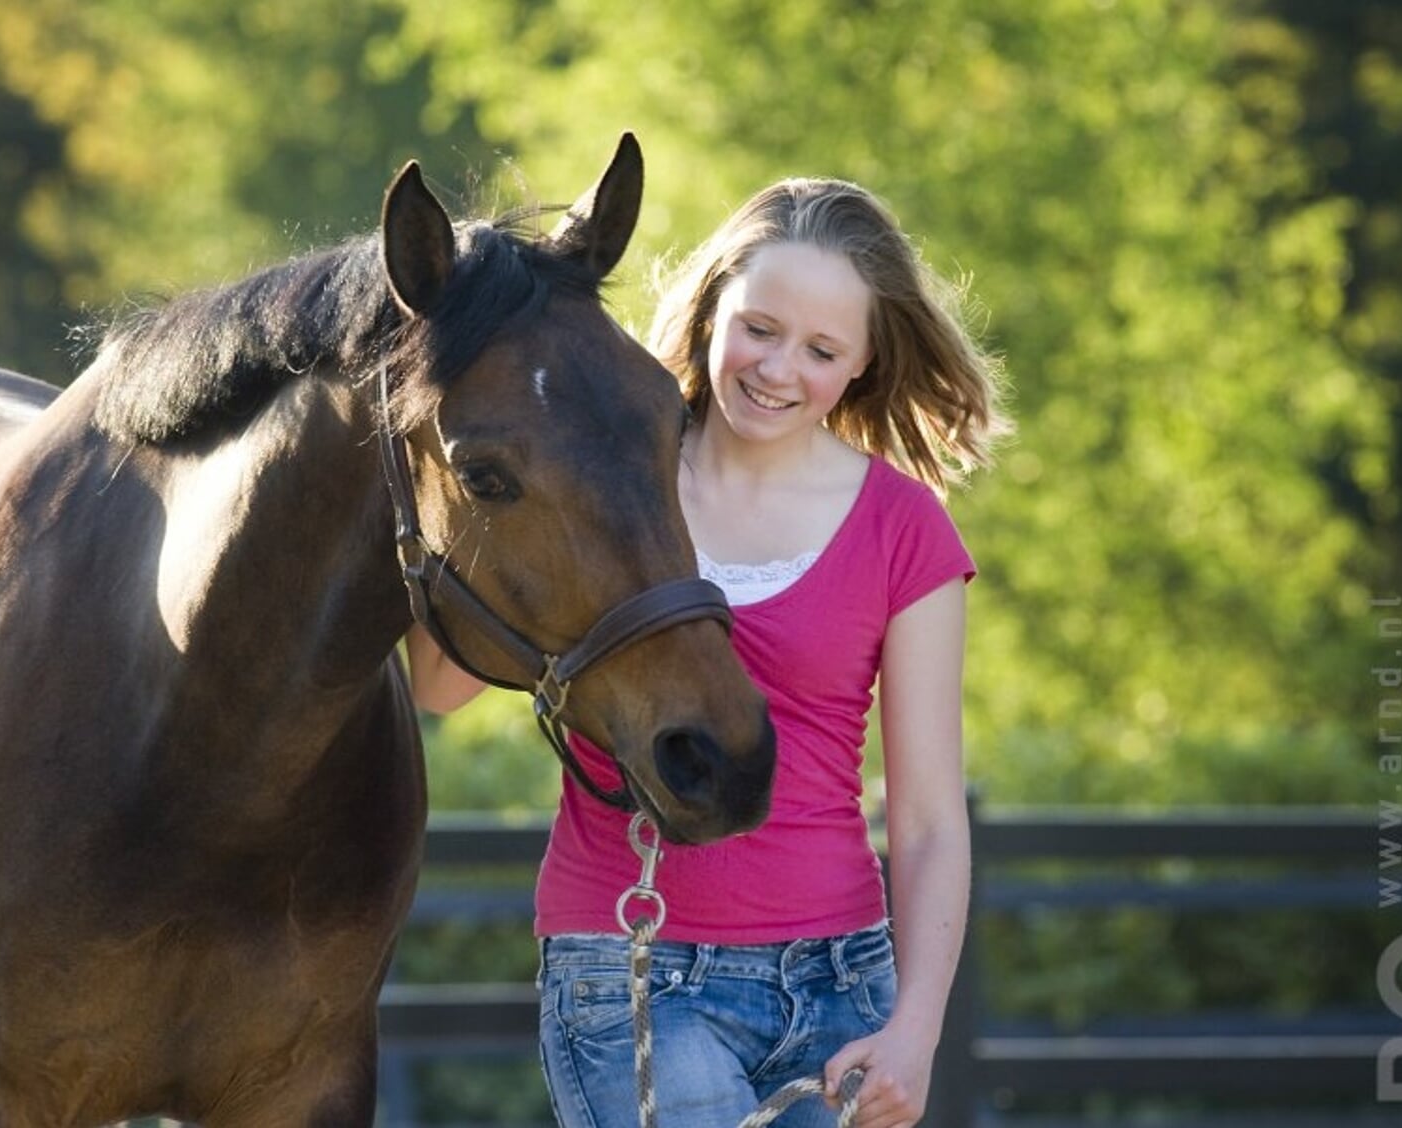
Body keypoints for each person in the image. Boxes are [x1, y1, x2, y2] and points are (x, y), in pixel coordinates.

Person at [408, 177, 1007, 1128]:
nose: (777, 369)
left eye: (820, 350)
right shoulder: (603, 472)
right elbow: (438, 688)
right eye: (759, 328)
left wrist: (915, 1029)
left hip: (842, 981)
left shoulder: (904, 530)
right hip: (635, 969)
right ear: (712, 306)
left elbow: (929, 819)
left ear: (859, 364)